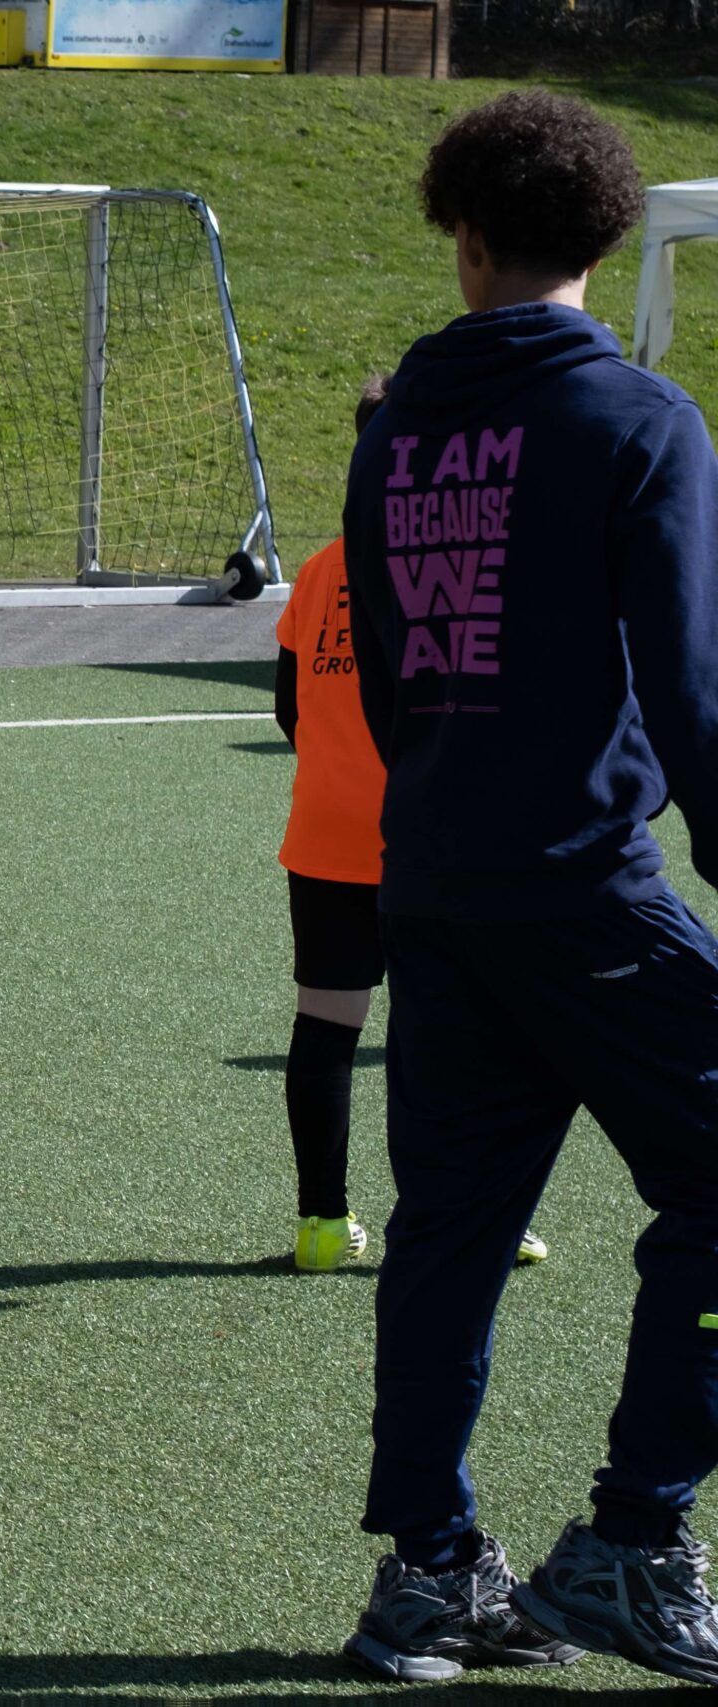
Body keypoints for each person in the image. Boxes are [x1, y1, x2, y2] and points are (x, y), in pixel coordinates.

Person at [338, 91, 718, 1685]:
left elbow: (384, 679)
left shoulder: (396, 428)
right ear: (606, 239)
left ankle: (427, 1572)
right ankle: (633, 1536)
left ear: (467, 237)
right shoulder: (640, 419)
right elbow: (691, 685)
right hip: (583, 888)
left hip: (434, 879)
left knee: (450, 1232)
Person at [274, 376, 547, 1275]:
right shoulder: (454, 562)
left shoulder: (320, 568)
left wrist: (342, 770)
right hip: (429, 837)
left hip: (324, 836)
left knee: (326, 1025)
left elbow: (288, 710)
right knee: (454, 1035)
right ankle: (470, 1217)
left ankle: (321, 1224)